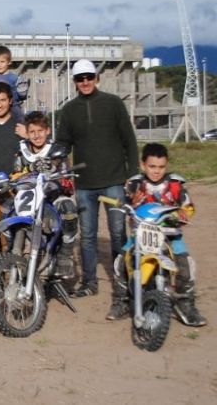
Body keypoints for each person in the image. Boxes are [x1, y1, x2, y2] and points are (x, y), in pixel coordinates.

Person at [55, 59, 138, 301]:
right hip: (84, 184)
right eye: (80, 78)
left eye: (89, 77)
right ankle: (89, 282)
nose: (85, 82)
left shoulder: (113, 104)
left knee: (118, 233)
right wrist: (52, 157)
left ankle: (123, 282)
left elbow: (129, 141)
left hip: (114, 180)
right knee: (88, 236)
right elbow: (63, 143)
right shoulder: (69, 110)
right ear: (74, 82)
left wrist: (132, 174)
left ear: (97, 77)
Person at [110, 143, 206, 326]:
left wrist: (182, 214)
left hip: (170, 236)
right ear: (143, 164)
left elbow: (188, 207)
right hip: (140, 235)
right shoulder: (134, 184)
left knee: (185, 265)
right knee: (121, 262)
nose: (156, 171)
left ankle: (186, 303)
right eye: (152, 166)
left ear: (167, 165)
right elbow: (123, 202)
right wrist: (128, 203)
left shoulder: (175, 185)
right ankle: (121, 301)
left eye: (161, 167)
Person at [11, 111, 78, 279]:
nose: (36, 135)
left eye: (40, 131)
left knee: (69, 209)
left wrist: (55, 174)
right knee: (7, 210)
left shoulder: (58, 152)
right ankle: (11, 254)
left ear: (48, 131)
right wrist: (23, 176)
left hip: (52, 197)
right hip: (28, 197)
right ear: (27, 133)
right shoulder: (21, 152)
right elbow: (14, 176)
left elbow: (69, 183)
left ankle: (65, 255)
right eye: (32, 132)